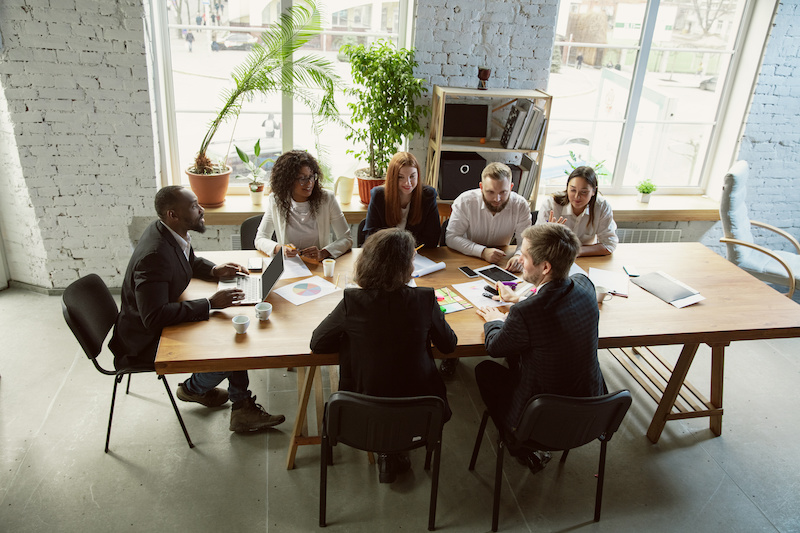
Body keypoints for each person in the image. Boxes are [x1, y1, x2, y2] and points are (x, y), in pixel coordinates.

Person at [109, 186, 285, 433]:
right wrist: (210, 304)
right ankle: (195, 389)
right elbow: (154, 317)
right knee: (232, 344)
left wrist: (214, 271)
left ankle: (237, 405)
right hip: (145, 341)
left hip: (154, 322)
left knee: (232, 330)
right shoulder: (154, 255)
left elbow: (186, 259)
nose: (201, 209)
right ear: (173, 214)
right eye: (193, 206)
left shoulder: (168, 232)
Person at [310, 228, 457, 483]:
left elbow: (318, 343)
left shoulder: (352, 301)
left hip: (361, 413)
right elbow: (449, 345)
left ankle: (388, 452)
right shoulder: (424, 299)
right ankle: (395, 451)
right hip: (421, 412)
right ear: (404, 267)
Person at [474, 223, 606, 474]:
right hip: (592, 412)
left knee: (485, 370)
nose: (519, 259)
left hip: (542, 420)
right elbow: (553, 305)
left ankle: (516, 443)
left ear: (545, 267)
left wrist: (494, 319)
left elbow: (494, 346)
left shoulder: (526, 314)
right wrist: (521, 299)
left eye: (524, 255)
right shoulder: (585, 285)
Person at [442, 161, 531, 376]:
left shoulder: (520, 205)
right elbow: (451, 237)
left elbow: (527, 240)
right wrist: (482, 251)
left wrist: (519, 254)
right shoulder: (466, 201)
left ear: (511, 188)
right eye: (490, 192)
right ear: (481, 187)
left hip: (501, 263)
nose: (497, 199)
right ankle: (453, 353)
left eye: (503, 192)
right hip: (466, 258)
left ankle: (511, 350)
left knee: (506, 306)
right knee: (462, 311)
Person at [255, 150, 353, 260]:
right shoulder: (276, 200)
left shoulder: (327, 199)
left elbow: (346, 239)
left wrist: (323, 253)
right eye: (302, 178)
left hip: (318, 265)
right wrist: (280, 249)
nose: (309, 183)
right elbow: (260, 239)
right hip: (290, 265)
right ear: (288, 180)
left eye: (311, 177)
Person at [364, 151, 441, 249]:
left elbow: (432, 238)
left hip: (417, 257)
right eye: (401, 177)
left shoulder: (428, 196)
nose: (407, 183)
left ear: (418, 175)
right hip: (386, 255)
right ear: (393, 178)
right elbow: (370, 237)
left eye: (412, 176)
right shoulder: (379, 196)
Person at [536, 166, 618, 256]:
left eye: (584, 192)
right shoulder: (551, 204)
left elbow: (609, 244)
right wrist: (549, 235)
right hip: (555, 257)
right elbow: (535, 243)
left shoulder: (602, 206)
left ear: (594, 191)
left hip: (585, 259)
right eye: (573, 190)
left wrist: (576, 251)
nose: (577, 197)